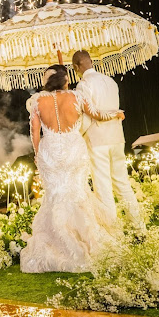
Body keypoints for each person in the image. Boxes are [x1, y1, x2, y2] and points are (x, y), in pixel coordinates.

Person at [20, 65, 124, 273]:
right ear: (66, 80)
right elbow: (97, 114)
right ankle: (85, 237)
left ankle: (60, 239)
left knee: (55, 196)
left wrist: (38, 153)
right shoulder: (76, 96)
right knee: (78, 194)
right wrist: (115, 113)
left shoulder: (38, 101)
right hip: (74, 149)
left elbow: (34, 130)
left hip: (50, 152)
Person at [72, 50, 146, 235]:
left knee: (102, 186)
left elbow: (90, 115)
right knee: (122, 183)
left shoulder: (83, 85)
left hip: (98, 140)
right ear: (90, 61)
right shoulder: (110, 81)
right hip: (117, 137)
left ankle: (114, 233)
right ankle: (139, 229)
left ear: (76, 67)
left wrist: (77, 134)